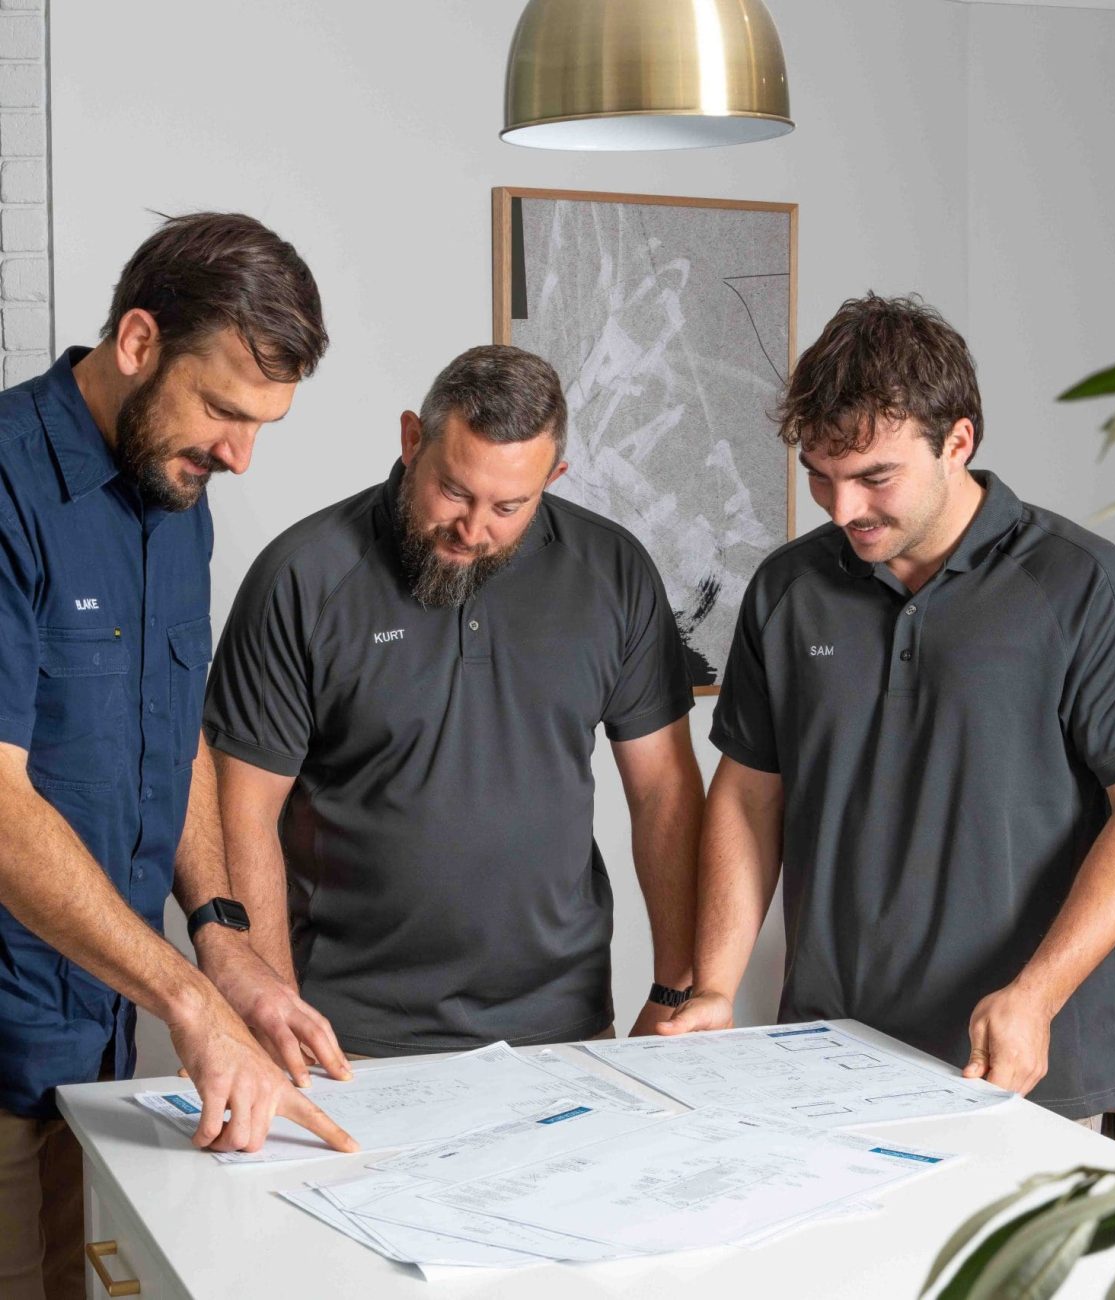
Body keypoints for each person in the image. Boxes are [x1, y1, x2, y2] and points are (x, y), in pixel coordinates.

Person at [662, 293, 1115, 1122]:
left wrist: (1037, 993)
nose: (844, 510)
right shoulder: (789, 587)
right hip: (821, 1053)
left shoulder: (1086, 587)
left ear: (959, 441)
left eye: (875, 478)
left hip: (1016, 1064)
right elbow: (746, 794)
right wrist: (717, 985)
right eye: (820, 477)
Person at [0, 213, 357, 1300]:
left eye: (263, 425)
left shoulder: (175, 493)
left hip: (101, 1044)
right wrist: (192, 1006)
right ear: (140, 342)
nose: (239, 454)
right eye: (224, 411)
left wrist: (225, 942)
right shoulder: (7, 485)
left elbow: (175, 730)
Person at [204, 344, 704, 1062]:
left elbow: (664, 790)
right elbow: (243, 811)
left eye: (510, 506)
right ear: (413, 440)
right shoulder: (304, 576)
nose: (474, 529)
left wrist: (675, 987)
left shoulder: (613, 571)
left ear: (553, 477)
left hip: (566, 1030)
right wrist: (274, 1008)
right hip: (352, 1037)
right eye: (454, 492)